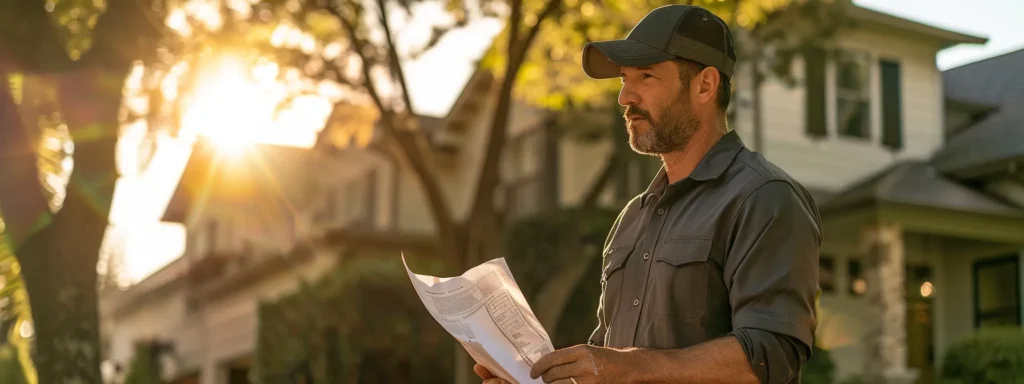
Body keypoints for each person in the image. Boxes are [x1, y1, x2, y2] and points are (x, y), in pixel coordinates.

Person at [475, 4, 822, 384]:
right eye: (624, 79)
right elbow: (607, 359)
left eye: (646, 76)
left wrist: (627, 366)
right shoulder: (632, 218)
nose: (625, 96)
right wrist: (537, 378)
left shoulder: (765, 198)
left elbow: (771, 354)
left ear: (705, 85)